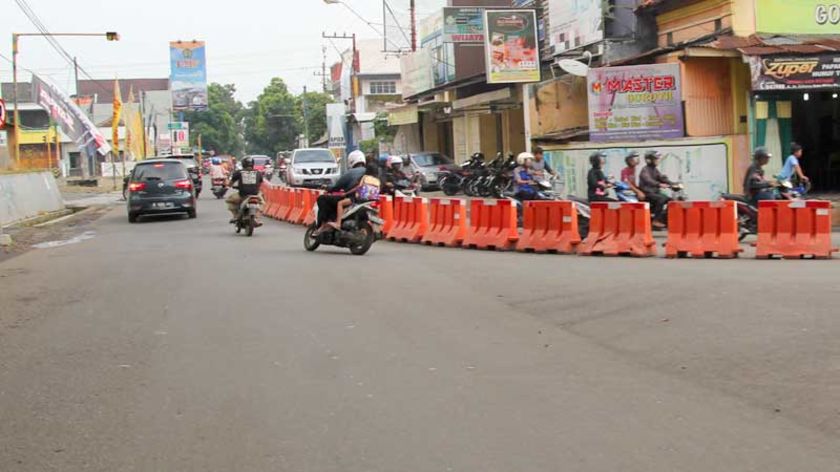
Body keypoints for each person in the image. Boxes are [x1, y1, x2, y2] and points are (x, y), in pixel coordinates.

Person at [314, 150, 368, 235]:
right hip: (367, 200)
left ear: (351, 161)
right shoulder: (369, 171)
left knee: (322, 199)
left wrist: (328, 188)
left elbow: (337, 186)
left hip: (352, 198)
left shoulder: (350, 173)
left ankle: (324, 224)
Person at [639, 150, 675, 228]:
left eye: (658, 159)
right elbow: (648, 180)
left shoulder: (655, 170)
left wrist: (673, 183)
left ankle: (663, 219)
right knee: (661, 199)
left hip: (654, 193)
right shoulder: (645, 170)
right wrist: (659, 184)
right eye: (656, 159)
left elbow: (662, 178)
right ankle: (655, 220)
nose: (657, 161)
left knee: (672, 200)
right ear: (649, 160)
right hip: (647, 193)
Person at [226, 156, 264, 224]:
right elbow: (260, 184)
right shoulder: (258, 173)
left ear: (243, 164)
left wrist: (228, 186)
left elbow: (230, 184)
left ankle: (236, 216)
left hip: (242, 195)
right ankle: (257, 218)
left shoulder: (239, 172)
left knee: (229, 201)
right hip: (255, 194)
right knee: (262, 203)